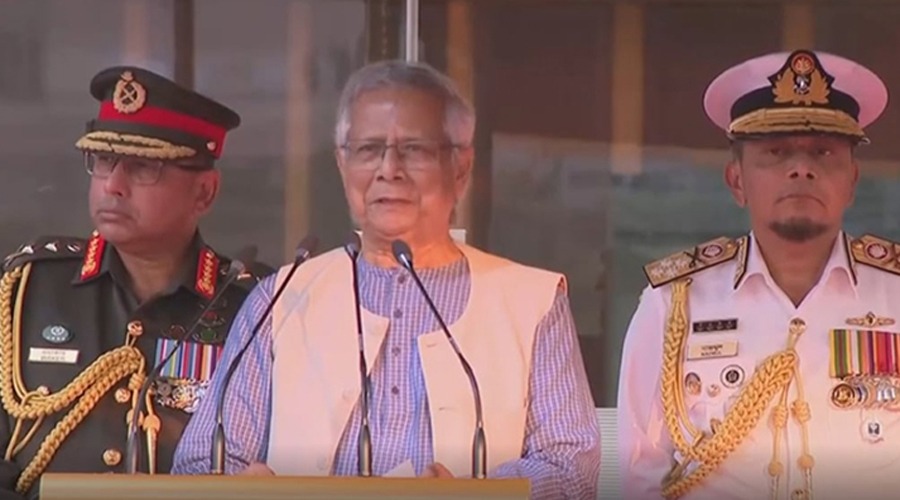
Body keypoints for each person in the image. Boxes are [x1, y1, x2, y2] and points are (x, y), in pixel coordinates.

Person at [172, 60, 601, 499]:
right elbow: (201, 461)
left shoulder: (532, 303)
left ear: (460, 167)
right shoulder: (282, 298)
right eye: (368, 149)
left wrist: (474, 495)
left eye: (414, 149)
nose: (388, 169)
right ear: (342, 164)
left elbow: (570, 469)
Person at [617, 49, 900, 500]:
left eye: (823, 152)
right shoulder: (674, 304)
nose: (801, 168)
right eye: (776, 152)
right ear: (737, 181)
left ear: (852, 180)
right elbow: (641, 477)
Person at [0, 66, 271, 499]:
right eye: (103, 161)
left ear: (204, 192)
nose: (113, 185)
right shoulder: (27, 290)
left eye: (143, 167)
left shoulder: (254, 309)